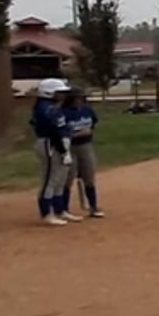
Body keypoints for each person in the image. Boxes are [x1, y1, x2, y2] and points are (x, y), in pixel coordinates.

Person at [30, 78, 76, 226]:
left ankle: (60, 210)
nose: (63, 95)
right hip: (50, 144)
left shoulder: (52, 107)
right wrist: (63, 151)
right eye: (60, 92)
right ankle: (46, 213)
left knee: (60, 179)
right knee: (50, 179)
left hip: (58, 143)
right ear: (49, 93)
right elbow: (52, 131)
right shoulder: (45, 108)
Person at [61, 87, 104, 217]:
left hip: (86, 146)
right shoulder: (64, 113)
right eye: (76, 98)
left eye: (81, 98)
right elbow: (61, 134)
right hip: (70, 147)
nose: (79, 101)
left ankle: (93, 207)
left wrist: (90, 131)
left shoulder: (87, 110)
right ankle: (64, 209)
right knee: (68, 178)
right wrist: (77, 134)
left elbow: (94, 123)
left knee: (89, 177)